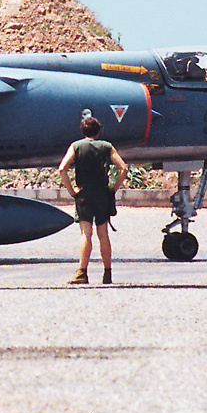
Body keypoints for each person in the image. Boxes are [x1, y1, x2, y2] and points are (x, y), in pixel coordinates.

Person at [58, 115, 129, 285]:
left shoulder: (76, 146)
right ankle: (107, 273)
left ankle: (82, 273)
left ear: (83, 131)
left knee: (86, 233)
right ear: (99, 131)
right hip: (102, 195)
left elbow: (62, 169)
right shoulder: (107, 146)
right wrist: (113, 188)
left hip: (84, 195)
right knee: (103, 233)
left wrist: (72, 191)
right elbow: (123, 169)